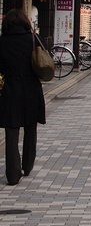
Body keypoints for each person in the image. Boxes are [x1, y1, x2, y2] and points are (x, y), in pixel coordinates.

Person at [0, 9, 46, 185]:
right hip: (31, 89)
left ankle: (12, 174)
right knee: (30, 128)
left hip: (10, 90)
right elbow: (43, 61)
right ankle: (27, 165)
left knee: (11, 132)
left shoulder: (2, 42)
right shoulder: (32, 39)